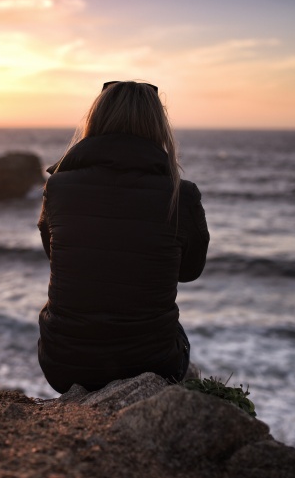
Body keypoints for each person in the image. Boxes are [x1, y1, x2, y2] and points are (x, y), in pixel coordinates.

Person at [37, 80, 209, 393]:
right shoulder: (181, 196)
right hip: (153, 362)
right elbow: (189, 272)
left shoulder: (59, 187)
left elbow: (56, 255)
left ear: (95, 120)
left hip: (63, 362)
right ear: (159, 126)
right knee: (179, 343)